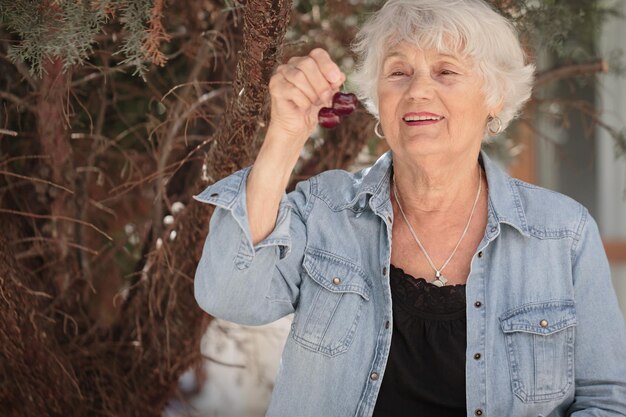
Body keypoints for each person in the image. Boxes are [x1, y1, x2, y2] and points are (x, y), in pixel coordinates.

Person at [193, 0, 626, 415]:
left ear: (493, 99)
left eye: (446, 71)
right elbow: (231, 295)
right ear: (376, 99)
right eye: (398, 71)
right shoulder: (326, 210)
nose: (419, 90)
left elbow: (608, 400)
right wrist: (285, 136)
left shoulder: (563, 234)